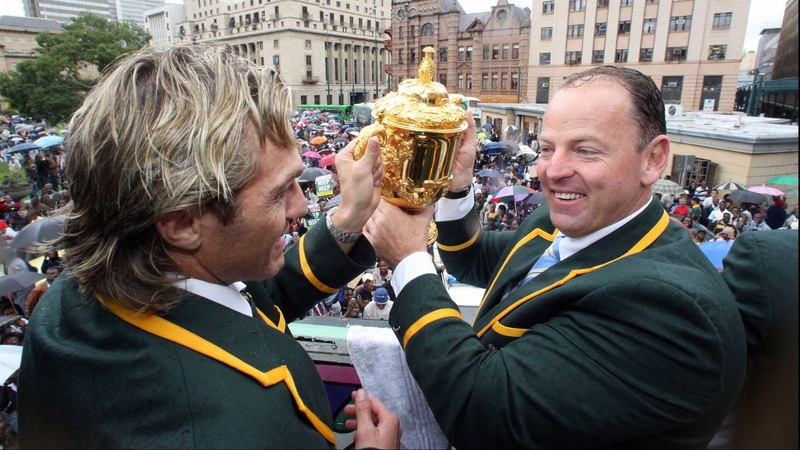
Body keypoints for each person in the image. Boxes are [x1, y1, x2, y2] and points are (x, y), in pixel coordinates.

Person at [18, 45, 399, 449]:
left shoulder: (92, 282)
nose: (302, 205)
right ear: (181, 223)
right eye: (278, 193)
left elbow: (249, 305)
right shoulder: (230, 431)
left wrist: (348, 220)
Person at [363, 66, 745, 447]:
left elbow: (486, 411)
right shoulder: (558, 220)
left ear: (653, 159)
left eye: (586, 150)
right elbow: (473, 261)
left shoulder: (672, 308)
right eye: (547, 148)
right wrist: (457, 182)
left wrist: (409, 261)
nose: (552, 171)